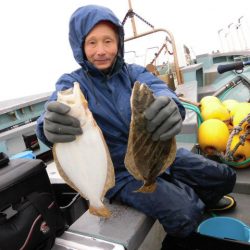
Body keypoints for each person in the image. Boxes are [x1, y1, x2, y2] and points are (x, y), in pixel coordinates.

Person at [36, 5, 236, 249]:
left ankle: (198, 196)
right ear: (80, 45)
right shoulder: (73, 82)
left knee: (223, 176)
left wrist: (171, 105)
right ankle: (184, 220)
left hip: (156, 156)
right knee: (185, 213)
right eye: (92, 43)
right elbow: (55, 104)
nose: (101, 51)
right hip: (119, 174)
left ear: (118, 42)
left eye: (108, 41)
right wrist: (46, 125)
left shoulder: (134, 73)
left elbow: (159, 89)